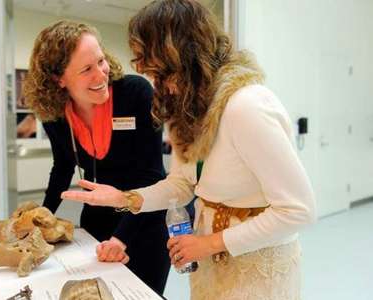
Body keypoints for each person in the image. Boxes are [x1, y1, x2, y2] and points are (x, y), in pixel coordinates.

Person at [61, 1, 317, 299]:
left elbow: (299, 211)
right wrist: (125, 198)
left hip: (255, 267)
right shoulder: (190, 107)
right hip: (211, 258)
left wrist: (209, 244)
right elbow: (182, 185)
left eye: (161, 74)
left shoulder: (247, 106)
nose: (160, 87)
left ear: (184, 58)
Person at [22, 20, 170, 295]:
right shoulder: (55, 114)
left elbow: (152, 175)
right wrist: (41, 221)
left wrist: (121, 239)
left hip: (144, 224)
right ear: (59, 78)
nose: (101, 75)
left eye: (100, 61)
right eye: (86, 69)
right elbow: (62, 167)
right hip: (96, 225)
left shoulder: (135, 94)